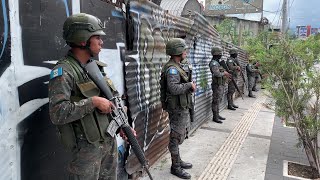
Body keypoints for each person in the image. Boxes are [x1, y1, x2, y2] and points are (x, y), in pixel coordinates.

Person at [48, 13, 134, 180]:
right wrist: (93, 102)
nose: (101, 42)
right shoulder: (64, 72)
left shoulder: (96, 68)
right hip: (87, 152)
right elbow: (57, 112)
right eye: (97, 38)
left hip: (108, 144)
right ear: (82, 40)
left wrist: (124, 125)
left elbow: (113, 99)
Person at [160, 38, 196, 179]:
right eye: (184, 50)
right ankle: (175, 167)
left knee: (178, 135)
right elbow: (174, 89)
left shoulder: (178, 66)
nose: (186, 52)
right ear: (178, 51)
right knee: (175, 137)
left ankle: (178, 161)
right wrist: (189, 86)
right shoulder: (172, 69)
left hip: (181, 106)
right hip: (176, 108)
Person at [209, 46, 231, 123]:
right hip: (217, 85)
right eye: (220, 54)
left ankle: (217, 114)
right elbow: (217, 74)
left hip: (220, 84)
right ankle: (215, 117)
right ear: (217, 54)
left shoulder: (218, 63)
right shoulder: (214, 63)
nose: (221, 55)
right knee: (216, 101)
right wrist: (224, 73)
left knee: (219, 100)